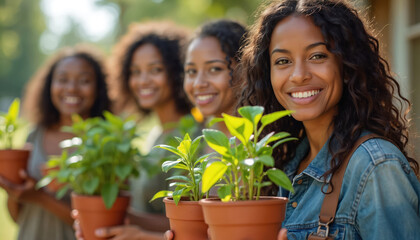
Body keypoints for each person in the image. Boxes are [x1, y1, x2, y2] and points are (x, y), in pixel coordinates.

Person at [236, 0, 420, 239]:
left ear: (347, 66)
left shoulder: (375, 165)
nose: (299, 75)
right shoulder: (281, 165)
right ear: (267, 73)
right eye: (283, 61)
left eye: (317, 56)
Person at [73, 21, 197, 240]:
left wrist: (127, 221)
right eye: (135, 72)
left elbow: (190, 223)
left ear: (178, 71)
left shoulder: (193, 135)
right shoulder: (156, 134)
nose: (143, 80)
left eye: (155, 70)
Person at [0, 45, 111, 240]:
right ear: (49, 86)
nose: (71, 88)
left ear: (99, 88)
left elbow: (102, 223)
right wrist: (14, 192)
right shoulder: (35, 135)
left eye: (84, 80)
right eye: (62, 79)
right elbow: (19, 217)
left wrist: (41, 197)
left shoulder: (105, 143)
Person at [183, 19, 248, 136]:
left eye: (214, 69)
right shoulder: (195, 137)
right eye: (191, 71)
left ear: (245, 70)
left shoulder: (267, 141)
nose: (198, 83)